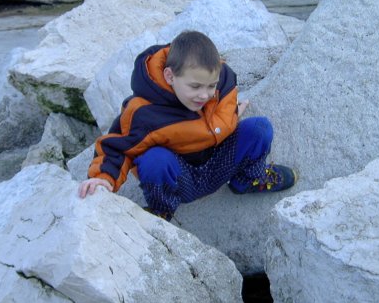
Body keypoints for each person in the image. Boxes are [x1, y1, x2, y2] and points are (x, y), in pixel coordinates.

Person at [78, 30, 297, 221]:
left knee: (260, 128)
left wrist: (232, 116)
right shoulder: (143, 113)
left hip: (219, 163)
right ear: (169, 76)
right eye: (195, 87)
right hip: (182, 179)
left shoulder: (223, 83)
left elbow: (224, 111)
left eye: (211, 86)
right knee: (155, 160)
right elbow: (117, 148)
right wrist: (103, 179)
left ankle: (246, 180)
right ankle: (162, 209)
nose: (204, 95)